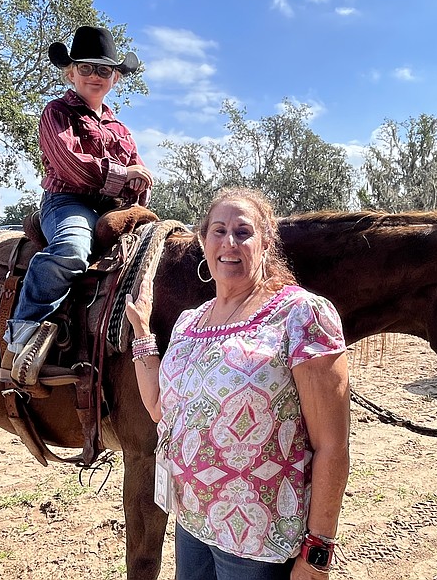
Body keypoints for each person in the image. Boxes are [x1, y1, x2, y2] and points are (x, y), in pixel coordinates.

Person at [125, 188, 350, 580]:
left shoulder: (301, 314)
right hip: (192, 522)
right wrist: (143, 331)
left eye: (243, 231)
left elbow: (331, 445)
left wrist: (317, 553)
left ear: (265, 242)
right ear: (203, 241)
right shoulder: (189, 322)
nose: (229, 242)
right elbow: (161, 408)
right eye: (218, 230)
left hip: (260, 541)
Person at [3, 25, 154, 385]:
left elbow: (138, 165)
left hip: (113, 207)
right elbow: (70, 163)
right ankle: (24, 328)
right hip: (66, 200)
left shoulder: (121, 128)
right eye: (85, 68)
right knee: (72, 248)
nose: (94, 76)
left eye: (103, 70)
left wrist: (141, 178)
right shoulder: (57, 112)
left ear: (115, 78)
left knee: (156, 254)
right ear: (70, 73)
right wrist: (125, 174)